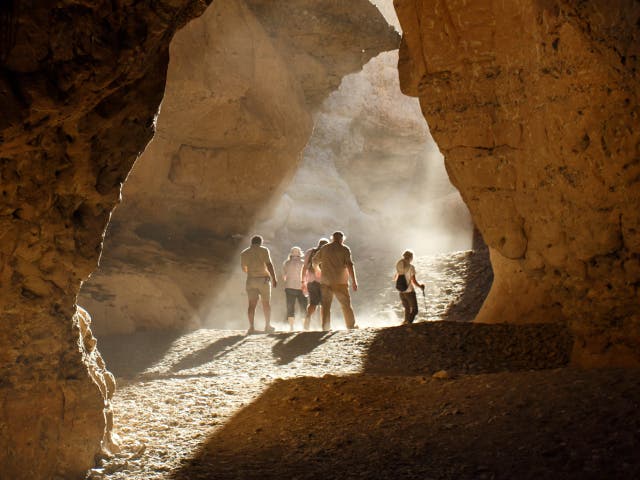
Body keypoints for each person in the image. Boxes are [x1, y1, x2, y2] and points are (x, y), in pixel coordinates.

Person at [312, 231, 358, 330]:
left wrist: (317, 270)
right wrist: (354, 280)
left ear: (332, 238)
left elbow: (314, 261)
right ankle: (350, 325)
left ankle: (326, 327)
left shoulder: (325, 248)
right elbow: (350, 265)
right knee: (346, 305)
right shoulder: (344, 249)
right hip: (340, 282)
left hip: (326, 282)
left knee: (326, 305)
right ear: (342, 239)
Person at [240, 235, 278, 334]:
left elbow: (244, 268)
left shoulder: (244, 253)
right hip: (263, 280)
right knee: (266, 303)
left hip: (251, 280)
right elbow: (269, 264)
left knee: (251, 304)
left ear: (251, 242)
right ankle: (267, 326)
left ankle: (251, 327)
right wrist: (274, 278)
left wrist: (252, 272)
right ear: (260, 242)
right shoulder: (264, 250)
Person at [301, 238, 329, 330]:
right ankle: (324, 325)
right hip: (324, 282)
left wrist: (303, 281)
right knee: (324, 305)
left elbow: (304, 267)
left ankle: (307, 321)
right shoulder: (328, 252)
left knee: (313, 303)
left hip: (311, 281)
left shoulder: (310, 252)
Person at [395, 250, 425, 324]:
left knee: (407, 308)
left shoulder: (400, 266)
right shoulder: (411, 267)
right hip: (409, 292)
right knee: (415, 310)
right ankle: (408, 323)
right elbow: (413, 281)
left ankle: (405, 323)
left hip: (401, 291)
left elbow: (395, 278)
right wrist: (420, 286)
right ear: (411, 257)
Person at [282, 246, 308, 331]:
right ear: (300, 253)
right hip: (301, 287)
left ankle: (291, 327)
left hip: (290, 287)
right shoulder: (303, 263)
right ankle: (304, 327)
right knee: (303, 307)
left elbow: (284, 276)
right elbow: (307, 276)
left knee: (290, 307)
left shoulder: (287, 263)